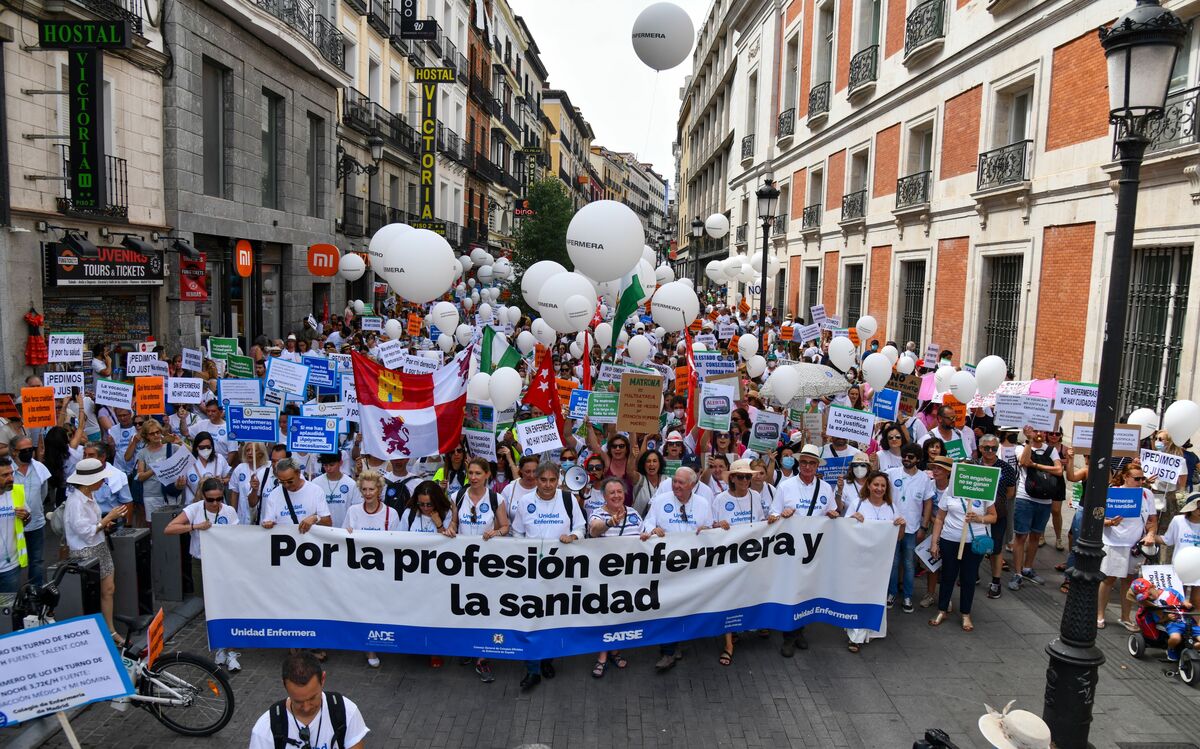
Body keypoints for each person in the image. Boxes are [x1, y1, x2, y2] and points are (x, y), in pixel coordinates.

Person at [508, 461, 584, 691]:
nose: (548, 485)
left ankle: (548, 660)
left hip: (560, 572)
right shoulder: (525, 502)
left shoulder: (569, 500)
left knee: (553, 619)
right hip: (531, 572)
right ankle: (533, 669)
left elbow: (581, 527)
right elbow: (517, 532)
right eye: (543, 480)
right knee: (532, 620)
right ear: (536, 480)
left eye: (553, 480)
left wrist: (573, 536)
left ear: (559, 480)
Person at [641, 466, 714, 672]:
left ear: (692, 485)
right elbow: (647, 524)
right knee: (668, 607)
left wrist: (708, 530)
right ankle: (668, 651)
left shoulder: (702, 504)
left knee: (686, 607)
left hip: (692, 567)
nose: (676, 486)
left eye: (681, 483)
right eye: (674, 481)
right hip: (666, 566)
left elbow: (710, 528)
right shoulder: (661, 501)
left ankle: (679, 641)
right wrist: (651, 530)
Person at [164, 477, 240, 671]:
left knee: (227, 605)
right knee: (209, 605)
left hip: (223, 563)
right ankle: (220, 646)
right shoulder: (195, 509)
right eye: (210, 500)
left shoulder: (229, 511)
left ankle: (229, 649)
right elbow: (169, 529)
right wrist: (195, 527)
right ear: (203, 497)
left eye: (219, 499)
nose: (215, 504)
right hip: (201, 563)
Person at [927, 456, 998, 632]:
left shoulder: (984, 492)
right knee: (948, 576)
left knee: (968, 577)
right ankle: (942, 609)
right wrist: (935, 542)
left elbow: (993, 516)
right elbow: (940, 518)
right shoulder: (950, 492)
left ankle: (966, 613)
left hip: (973, 542)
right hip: (950, 540)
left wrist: (979, 518)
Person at [62, 458, 127, 642]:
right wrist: (107, 520)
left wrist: (105, 524)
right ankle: (94, 634)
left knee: (108, 589)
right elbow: (85, 532)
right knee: (90, 595)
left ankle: (111, 630)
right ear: (89, 481)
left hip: (100, 547)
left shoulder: (90, 495)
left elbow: (93, 527)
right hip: (85, 552)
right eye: (101, 479)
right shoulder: (75, 502)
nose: (103, 482)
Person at [249, 651, 369, 749]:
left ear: (323, 679)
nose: (306, 707)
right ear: (284, 685)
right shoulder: (265, 729)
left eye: (312, 698)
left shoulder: (346, 712)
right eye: (298, 701)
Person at [587, 477, 643, 677]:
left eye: (620, 492)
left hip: (628, 578)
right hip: (604, 579)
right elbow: (594, 531)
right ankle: (603, 657)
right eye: (612, 493)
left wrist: (648, 535)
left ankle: (615, 650)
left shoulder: (635, 514)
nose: (617, 496)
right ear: (604, 496)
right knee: (605, 616)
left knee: (619, 616)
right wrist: (610, 522)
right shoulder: (598, 513)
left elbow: (642, 539)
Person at [845, 470, 905, 651]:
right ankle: (855, 634)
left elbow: (899, 537)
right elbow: (845, 530)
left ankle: (871, 630)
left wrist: (901, 525)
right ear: (868, 485)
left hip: (880, 563)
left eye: (883, 486)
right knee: (858, 594)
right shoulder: (857, 504)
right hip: (859, 559)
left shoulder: (892, 507)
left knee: (875, 595)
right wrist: (853, 519)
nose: (879, 488)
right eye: (876, 484)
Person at [712, 459, 763, 667]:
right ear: (732, 478)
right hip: (729, 558)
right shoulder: (720, 500)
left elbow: (760, 523)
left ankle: (742, 628)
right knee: (728, 598)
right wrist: (717, 525)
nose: (745, 480)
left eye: (748, 476)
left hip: (750, 557)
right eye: (740, 476)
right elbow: (711, 525)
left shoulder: (756, 496)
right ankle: (728, 644)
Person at [1097, 464, 1157, 631]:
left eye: (1142, 479)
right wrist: (1109, 522)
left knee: (1129, 581)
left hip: (1135, 546)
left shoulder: (1147, 494)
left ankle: (1125, 617)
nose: (1140, 482)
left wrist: (1151, 534)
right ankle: (1099, 614)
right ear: (1125, 477)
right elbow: (1096, 517)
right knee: (1108, 579)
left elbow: (1152, 520)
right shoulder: (1112, 492)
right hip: (1114, 543)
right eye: (1136, 478)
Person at [1009, 427, 1062, 591]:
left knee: (1036, 535)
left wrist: (1036, 465)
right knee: (1020, 536)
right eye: (1036, 431)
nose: (1039, 434)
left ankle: (1027, 568)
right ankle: (1017, 573)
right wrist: (1029, 441)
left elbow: (1059, 470)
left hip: (1045, 500)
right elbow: (1024, 462)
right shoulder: (1020, 447)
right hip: (1025, 498)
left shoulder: (1051, 450)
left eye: (1041, 431)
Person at [885, 443, 935, 613]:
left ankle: (907, 596)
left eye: (911, 457)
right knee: (892, 563)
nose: (906, 459)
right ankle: (891, 593)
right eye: (904, 456)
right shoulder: (891, 474)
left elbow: (928, 503)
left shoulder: (925, 478)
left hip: (912, 528)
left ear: (918, 459)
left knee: (909, 564)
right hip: (892, 526)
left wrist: (924, 526)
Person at [973, 434, 1018, 600]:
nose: (990, 451)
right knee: (975, 544)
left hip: (998, 515)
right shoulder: (974, 465)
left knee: (996, 549)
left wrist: (997, 502)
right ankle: (973, 574)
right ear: (980, 448)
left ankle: (996, 581)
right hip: (976, 514)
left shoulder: (1006, 468)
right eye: (986, 448)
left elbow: (1011, 492)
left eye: (993, 448)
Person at [10, 435, 50, 586]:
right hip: (12, 525)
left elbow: (43, 493)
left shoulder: (39, 468)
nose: (29, 453)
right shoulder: (7, 471)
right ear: (14, 452)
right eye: (24, 450)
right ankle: (12, 594)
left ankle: (35, 594)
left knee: (37, 560)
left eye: (30, 450)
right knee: (12, 563)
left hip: (36, 523)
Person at [260, 457, 332, 534]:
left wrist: (315, 518)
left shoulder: (315, 490)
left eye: (290, 481)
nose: (286, 485)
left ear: (298, 473)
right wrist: (267, 524)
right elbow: (268, 521)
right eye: (282, 482)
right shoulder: (274, 495)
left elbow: (328, 522)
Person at [133, 419, 185, 520]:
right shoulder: (142, 453)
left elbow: (192, 455)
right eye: (152, 433)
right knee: (155, 525)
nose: (156, 435)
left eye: (158, 432)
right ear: (146, 436)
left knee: (173, 524)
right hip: (152, 495)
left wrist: (180, 442)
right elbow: (139, 476)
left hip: (170, 492)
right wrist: (156, 469)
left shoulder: (172, 447)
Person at [1157, 493, 1200, 609]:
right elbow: (1167, 539)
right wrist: (1151, 536)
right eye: (1198, 507)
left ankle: (1196, 625)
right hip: (1180, 565)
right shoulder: (1178, 521)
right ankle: (1179, 623)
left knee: (1197, 599)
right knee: (1179, 597)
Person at [0, 458, 31, 596]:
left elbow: (26, 521)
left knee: (8, 611)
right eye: (5, 475)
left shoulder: (17, 492)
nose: (11, 478)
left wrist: (26, 517)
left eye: (11, 474)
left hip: (10, 566)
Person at [312, 453, 360, 529]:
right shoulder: (315, 483)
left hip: (344, 530)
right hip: (322, 531)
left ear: (340, 462)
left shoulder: (351, 484)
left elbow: (356, 508)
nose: (328, 469)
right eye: (325, 465)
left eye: (331, 465)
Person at [182, 431, 231, 504]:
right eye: (202, 447)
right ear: (196, 447)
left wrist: (222, 481)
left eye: (208, 447)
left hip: (216, 503)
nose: (205, 450)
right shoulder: (187, 461)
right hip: (194, 504)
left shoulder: (219, 459)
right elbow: (179, 486)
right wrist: (180, 484)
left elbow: (229, 478)